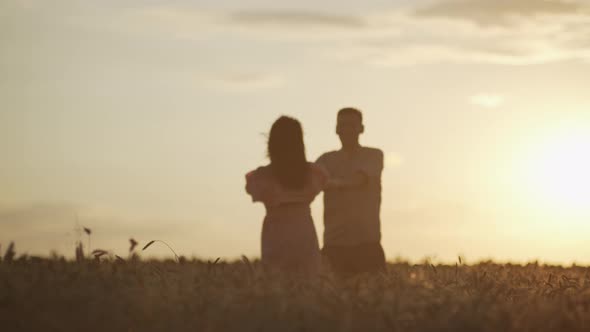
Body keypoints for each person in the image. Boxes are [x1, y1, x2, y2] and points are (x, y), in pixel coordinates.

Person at [245, 116, 328, 273]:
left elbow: (251, 190)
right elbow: (324, 181)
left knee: (277, 282)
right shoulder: (313, 174)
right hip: (304, 233)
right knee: (307, 284)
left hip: (275, 235)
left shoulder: (261, 177)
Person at [316, 107, 386, 275]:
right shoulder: (325, 159)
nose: (347, 130)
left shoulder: (374, 155)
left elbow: (359, 180)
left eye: (351, 125)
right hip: (335, 245)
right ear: (336, 129)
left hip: (367, 244)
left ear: (361, 128)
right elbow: (309, 183)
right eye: (343, 125)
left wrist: (330, 183)